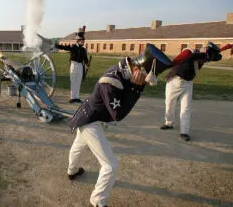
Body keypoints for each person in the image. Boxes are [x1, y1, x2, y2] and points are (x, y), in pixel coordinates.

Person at [66, 43, 172, 207]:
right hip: (91, 120)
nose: (145, 81)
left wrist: (136, 86)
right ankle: (97, 200)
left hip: (88, 115)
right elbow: (118, 115)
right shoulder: (111, 82)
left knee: (78, 145)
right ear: (139, 70)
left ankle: (72, 171)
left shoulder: (123, 69)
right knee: (111, 166)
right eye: (145, 77)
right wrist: (137, 89)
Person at [160, 42, 222, 141]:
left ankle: (184, 132)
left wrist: (210, 54)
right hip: (174, 81)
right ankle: (169, 123)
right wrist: (205, 54)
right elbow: (190, 57)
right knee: (169, 104)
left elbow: (219, 57)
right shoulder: (189, 52)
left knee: (186, 107)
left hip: (188, 84)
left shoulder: (204, 56)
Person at [55, 26, 89, 103]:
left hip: (80, 66)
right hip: (74, 65)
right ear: (79, 40)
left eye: (84, 40)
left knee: (78, 81)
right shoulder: (73, 47)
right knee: (73, 81)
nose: (84, 42)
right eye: (83, 40)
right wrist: (57, 45)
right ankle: (72, 97)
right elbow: (65, 47)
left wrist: (87, 63)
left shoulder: (83, 50)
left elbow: (85, 58)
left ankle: (77, 97)